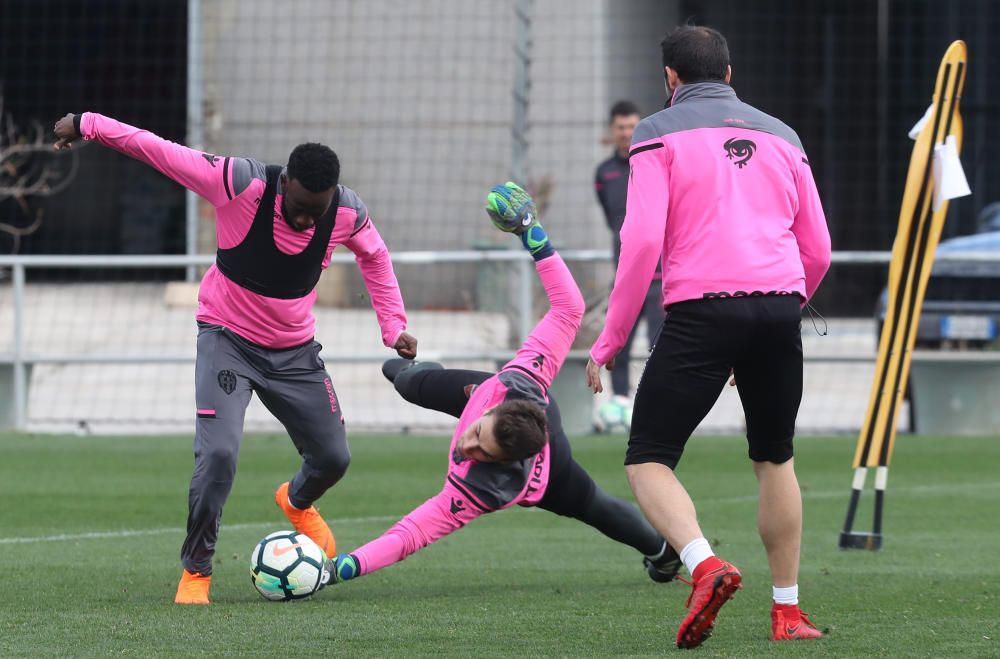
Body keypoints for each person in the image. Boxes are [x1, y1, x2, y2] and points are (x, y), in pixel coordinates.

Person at [53, 112, 418, 604]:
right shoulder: (238, 183)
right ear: (285, 181)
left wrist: (393, 326)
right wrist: (86, 123)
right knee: (219, 454)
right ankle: (197, 572)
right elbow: (157, 149)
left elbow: (375, 256)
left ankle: (296, 500)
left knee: (334, 457)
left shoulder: (347, 212)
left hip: (294, 351)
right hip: (227, 340)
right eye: (302, 207)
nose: (309, 219)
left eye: (319, 209)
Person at [583, 26, 832, 648]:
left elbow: (641, 244)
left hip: (701, 312)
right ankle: (788, 613)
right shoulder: (783, 135)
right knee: (774, 457)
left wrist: (611, 339)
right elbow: (819, 249)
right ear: (728, 72)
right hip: (779, 307)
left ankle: (704, 564)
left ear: (670, 78)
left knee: (648, 459)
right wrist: (784, 305)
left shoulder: (656, 133)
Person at [318, 182, 681, 589]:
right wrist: (532, 234)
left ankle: (664, 556)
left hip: (550, 469)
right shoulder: (520, 380)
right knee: (406, 379)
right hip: (508, 398)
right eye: (476, 435)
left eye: (481, 451)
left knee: (594, 506)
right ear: (490, 410)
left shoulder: (485, 487)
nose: (466, 447)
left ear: (502, 462)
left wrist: (340, 569)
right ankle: (413, 374)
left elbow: (410, 535)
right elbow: (569, 308)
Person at [594, 101, 665, 404]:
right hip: (625, 275)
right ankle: (620, 404)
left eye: (632, 126)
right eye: (621, 127)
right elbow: (612, 219)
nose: (627, 133)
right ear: (612, 131)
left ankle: (656, 404)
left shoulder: (654, 163)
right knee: (616, 345)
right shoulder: (604, 173)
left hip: (661, 276)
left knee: (659, 346)